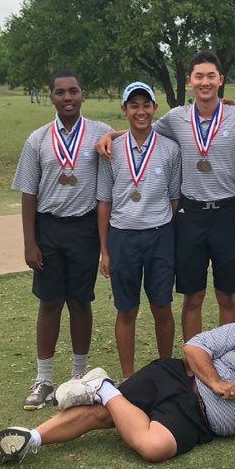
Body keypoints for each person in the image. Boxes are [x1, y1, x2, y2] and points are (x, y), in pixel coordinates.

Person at [0, 290, 235, 466]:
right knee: (104, 415)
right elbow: (193, 348)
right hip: (176, 377)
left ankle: (102, 387)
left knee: (151, 446)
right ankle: (32, 438)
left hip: (198, 419)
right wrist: (218, 383)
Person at [96, 52, 235, 341]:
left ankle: (227, 360)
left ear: (221, 79)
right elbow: (142, 129)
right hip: (190, 216)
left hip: (227, 214)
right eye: (199, 76)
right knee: (193, 296)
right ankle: (193, 367)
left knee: (226, 295)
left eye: (211, 76)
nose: (205, 82)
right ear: (189, 80)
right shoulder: (176, 118)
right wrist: (112, 135)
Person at [11, 71, 111, 410]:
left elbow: (135, 134)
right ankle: (43, 378)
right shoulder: (38, 139)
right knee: (50, 302)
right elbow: (28, 192)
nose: (67, 97)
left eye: (73, 91)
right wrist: (29, 242)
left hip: (84, 229)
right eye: (59, 92)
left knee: (81, 301)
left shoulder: (99, 133)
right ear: (51, 97)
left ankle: (78, 377)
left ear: (82, 94)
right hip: (48, 228)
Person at [97, 81, 181, 378]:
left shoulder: (170, 149)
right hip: (122, 236)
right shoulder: (111, 150)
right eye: (134, 105)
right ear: (124, 109)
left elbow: (174, 198)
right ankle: (129, 378)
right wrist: (105, 250)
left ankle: (166, 372)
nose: (141, 111)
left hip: (159, 235)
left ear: (155, 109)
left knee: (162, 306)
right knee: (127, 309)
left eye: (146, 105)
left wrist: (156, 223)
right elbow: (104, 202)